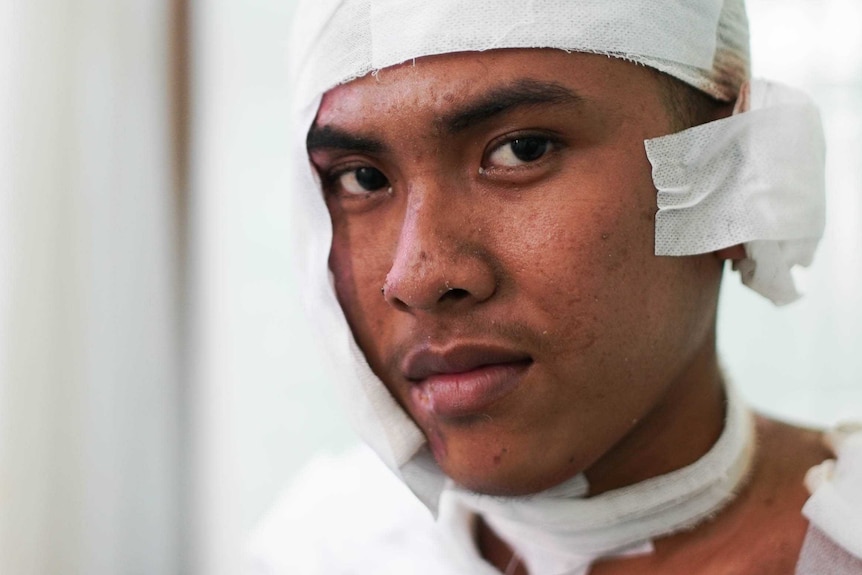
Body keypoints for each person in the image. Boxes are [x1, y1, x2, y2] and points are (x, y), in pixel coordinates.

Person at [248, 1, 862, 573]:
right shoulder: (315, 549)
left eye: (521, 150)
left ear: (737, 177)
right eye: (361, 179)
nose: (418, 276)